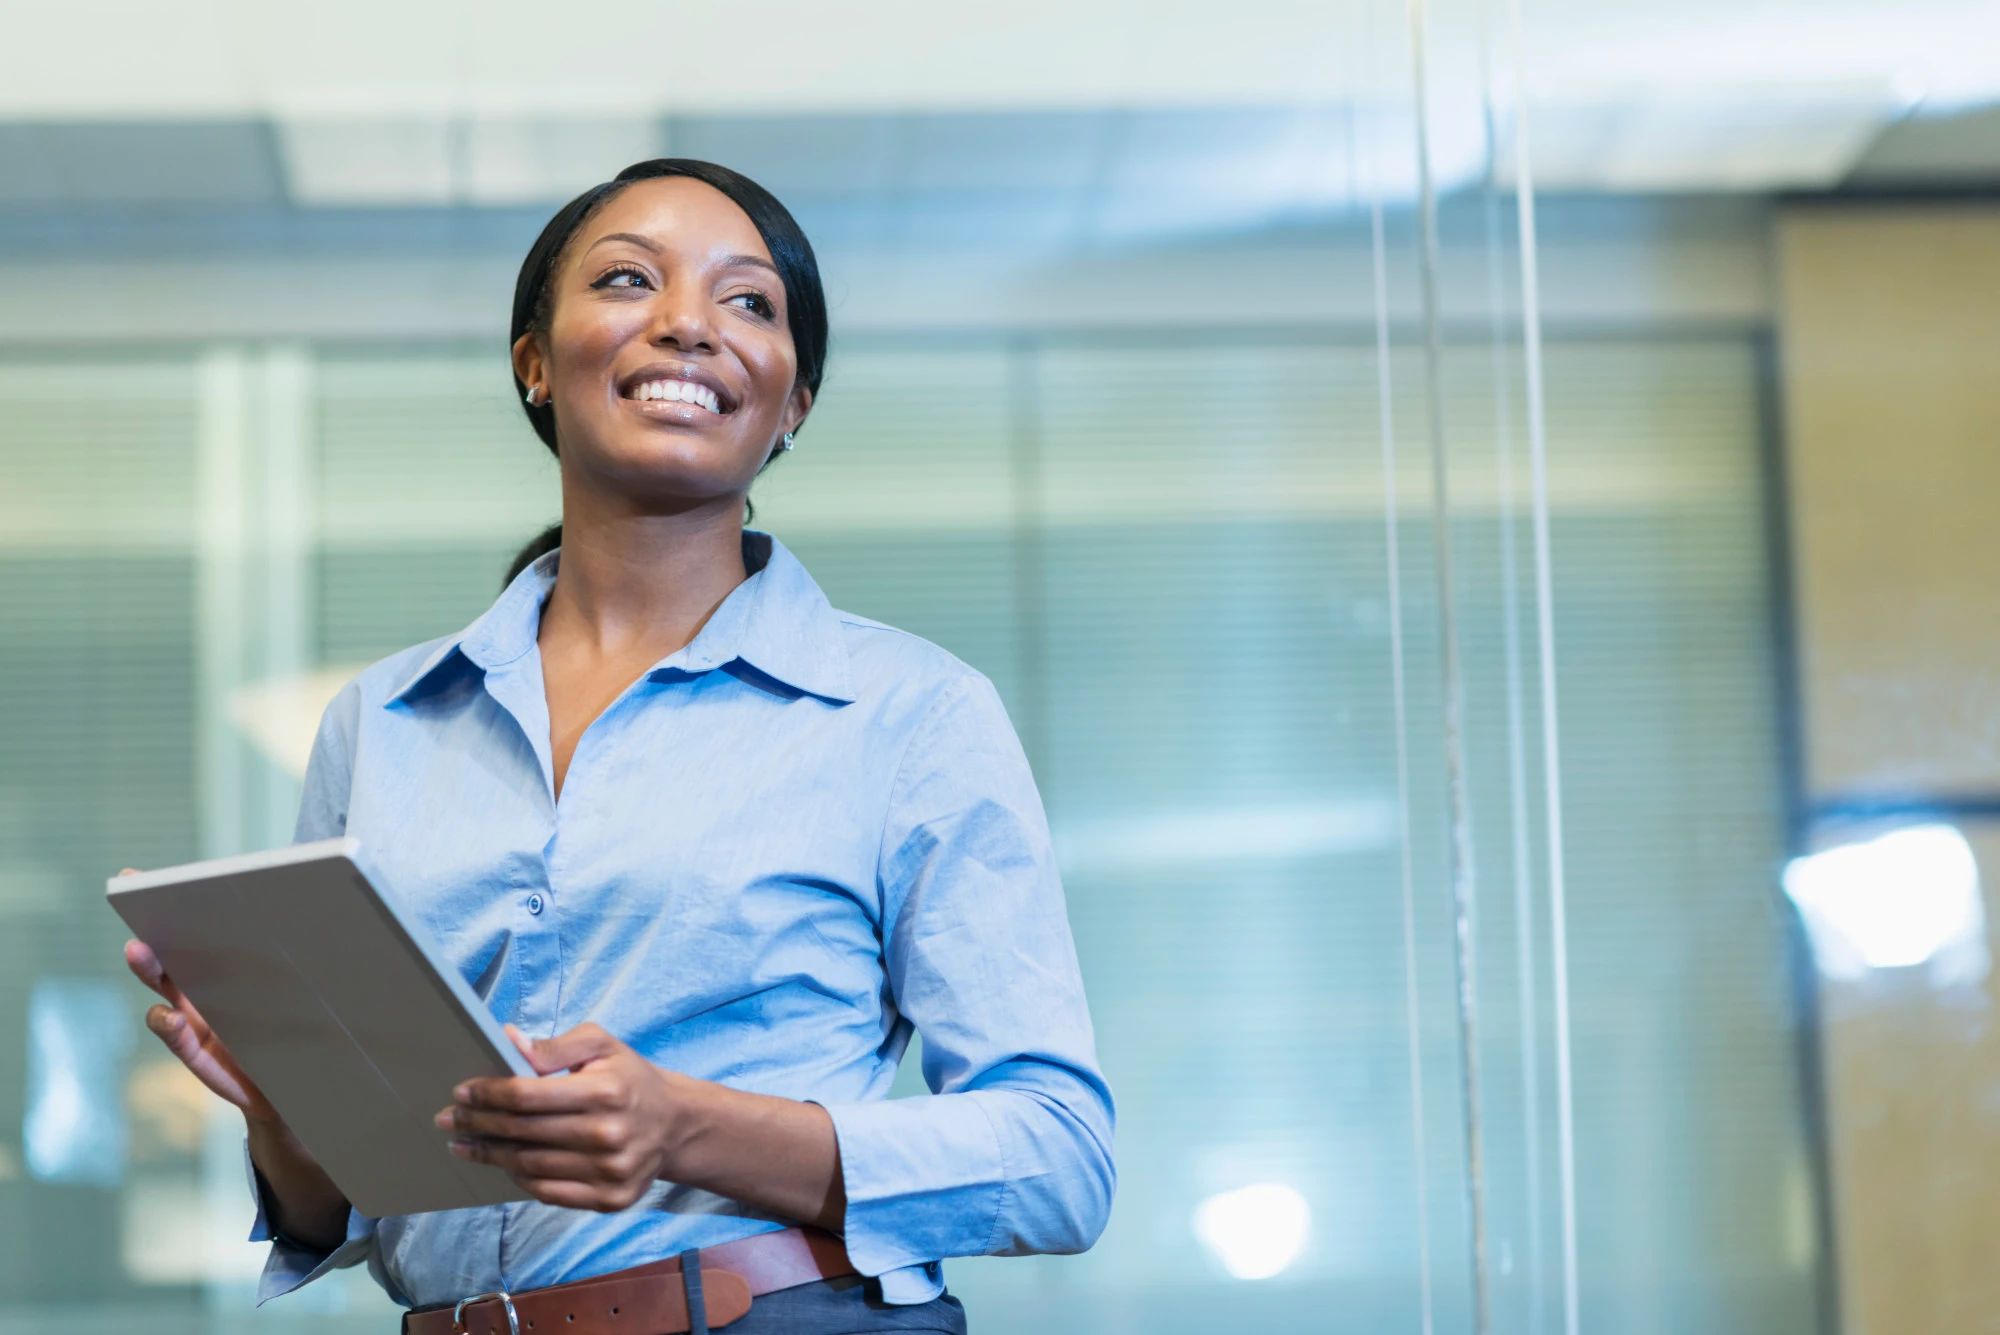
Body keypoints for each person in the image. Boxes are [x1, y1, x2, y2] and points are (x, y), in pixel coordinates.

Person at [121, 158, 1114, 1335]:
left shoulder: (909, 712)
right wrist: (288, 1119)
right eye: (629, 279)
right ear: (533, 362)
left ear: (791, 403)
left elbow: (1059, 1158)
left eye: (749, 303)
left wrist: (683, 1127)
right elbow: (350, 1202)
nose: (688, 324)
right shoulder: (380, 722)